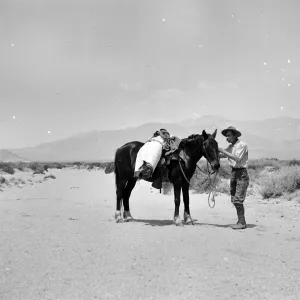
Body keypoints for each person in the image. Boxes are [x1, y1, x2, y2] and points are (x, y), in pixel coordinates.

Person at [218, 126, 249, 230]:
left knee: (238, 199)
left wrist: (222, 150)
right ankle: (240, 221)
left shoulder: (242, 145)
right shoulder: (231, 146)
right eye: (226, 136)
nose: (227, 138)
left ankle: (242, 223)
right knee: (234, 198)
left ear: (235, 135)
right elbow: (223, 155)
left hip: (241, 173)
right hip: (233, 173)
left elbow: (236, 158)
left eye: (229, 135)